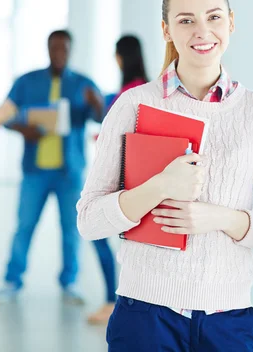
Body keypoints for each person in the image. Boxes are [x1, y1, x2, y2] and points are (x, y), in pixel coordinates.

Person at [77, 0, 253, 352]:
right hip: (144, 315)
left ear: (231, 22)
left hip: (228, 320)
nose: (201, 31)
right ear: (166, 30)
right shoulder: (134, 105)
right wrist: (159, 186)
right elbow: (89, 220)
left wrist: (219, 218)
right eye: (185, 20)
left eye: (213, 17)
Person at [0, 30, 105, 305]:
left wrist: (97, 105)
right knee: (24, 226)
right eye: (54, 48)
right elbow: (5, 116)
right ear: (48, 49)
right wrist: (22, 128)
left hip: (69, 173)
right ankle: (11, 281)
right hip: (34, 171)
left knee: (71, 229)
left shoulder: (83, 84)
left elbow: (102, 119)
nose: (59, 54)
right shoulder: (27, 82)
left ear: (70, 50)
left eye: (64, 49)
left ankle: (69, 282)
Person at [86, 35, 149, 325]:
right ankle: (118, 301)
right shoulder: (145, 89)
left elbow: (125, 137)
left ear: (120, 57)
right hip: (138, 181)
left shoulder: (130, 92)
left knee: (97, 232)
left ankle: (112, 301)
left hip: (124, 183)